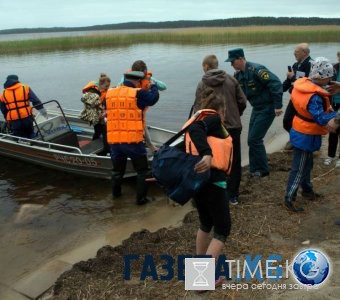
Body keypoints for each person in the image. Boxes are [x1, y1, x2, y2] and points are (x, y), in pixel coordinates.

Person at [187, 88, 231, 287]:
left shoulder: (197, 118)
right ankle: (202, 280)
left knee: (205, 223)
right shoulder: (212, 120)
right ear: (220, 110)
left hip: (198, 181)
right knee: (222, 228)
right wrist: (207, 153)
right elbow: (195, 131)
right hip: (213, 181)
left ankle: (199, 270)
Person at [284, 57, 337, 212]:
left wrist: (328, 110)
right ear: (321, 77)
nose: (330, 79)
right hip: (305, 133)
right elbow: (320, 119)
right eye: (328, 76)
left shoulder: (303, 84)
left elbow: (311, 111)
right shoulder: (314, 96)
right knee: (299, 167)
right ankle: (289, 198)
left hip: (303, 129)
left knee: (307, 164)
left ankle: (307, 190)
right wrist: (335, 115)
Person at [194, 54, 247, 205]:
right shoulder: (231, 79)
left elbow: (199, 109)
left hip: (212, 129)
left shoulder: (202, 83)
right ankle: (233, 196)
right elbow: (242, 101)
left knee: (214, 159)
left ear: (206, 66)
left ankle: (216, 193)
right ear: (216, 65)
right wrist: (236, 114)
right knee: (234, 160)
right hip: (233, 126)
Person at [226, 48, 283, 177]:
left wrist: (278, 105)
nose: (231, 65)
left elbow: (276, 84)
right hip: (257, 108)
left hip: (268, 107)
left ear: (241, 59)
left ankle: (263, 170)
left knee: (255, 139)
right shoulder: (238, 75)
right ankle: (253, 168)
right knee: (251, 140)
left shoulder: (257, 70)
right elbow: (240, 96)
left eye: (233, 61)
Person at [105, 70, 159, 205]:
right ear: (137, 81)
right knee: (142, 171)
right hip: (133, 141)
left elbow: (108, 109)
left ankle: (116, 196)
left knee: (117, 172)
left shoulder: (110, 93)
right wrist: (153, 86)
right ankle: (141, 200)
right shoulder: (138, 93)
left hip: (115, 142)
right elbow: (152, 99)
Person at [117, 60, 166, 152]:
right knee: (138, 126)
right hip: (130, 106)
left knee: (141, 125)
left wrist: (152, 83)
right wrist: (153, 87)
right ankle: (145, 146)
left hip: (139, 107)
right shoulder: (124, 80)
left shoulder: (147, 79)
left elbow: (164, 86)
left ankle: (148, 145)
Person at [283, 43, 312, 139]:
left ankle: (298, 140)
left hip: (305, 99)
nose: (294, 54)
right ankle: (295, 139)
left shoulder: (311, 64)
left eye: (296, 52)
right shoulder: (295, 65)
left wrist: (292, 77)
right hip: (294, 97)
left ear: (304, 53)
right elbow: (288, 82)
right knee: (287, 121)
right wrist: (277, 90)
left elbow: (308, 83)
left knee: (302, 121)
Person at [324, 51, 340, 168]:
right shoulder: (334, 68)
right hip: (333, 103)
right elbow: (327, 84)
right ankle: (330, 155)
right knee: (332, 130)